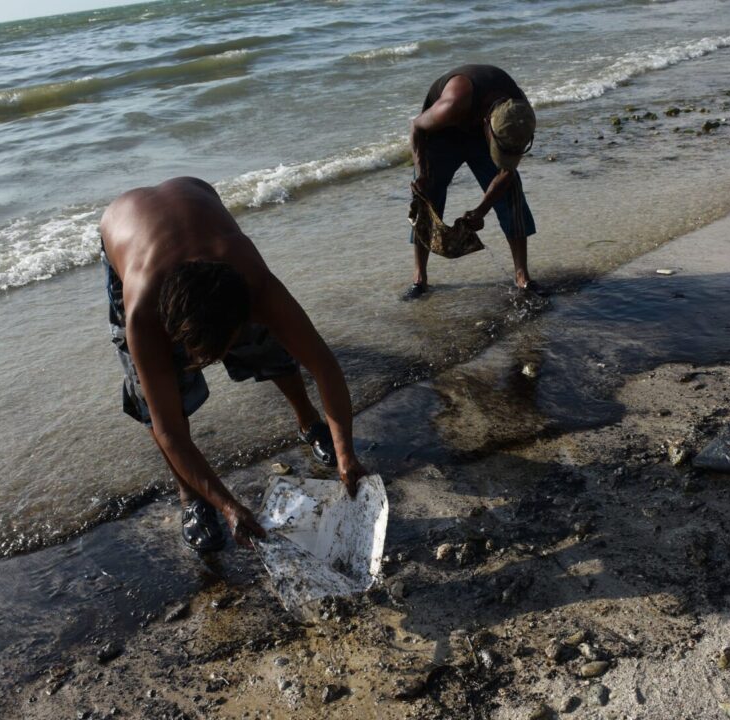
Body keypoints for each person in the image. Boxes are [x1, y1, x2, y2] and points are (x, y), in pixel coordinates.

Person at [100, 176, 366, 553]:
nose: (198, 363)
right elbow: (169, 431)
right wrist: (227, 506)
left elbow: (324, 366)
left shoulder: (257, 285)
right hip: (123, 228)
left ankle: (309, 422)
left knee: (270, 347)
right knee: (155, 400)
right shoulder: (142, 315)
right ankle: (190, 496)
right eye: (190, 352)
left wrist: (346, 454)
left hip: (196, 202)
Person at [405, 64, 541, 300]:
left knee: (512, 193)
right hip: (443, 133)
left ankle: (523, 277)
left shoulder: (520, 116)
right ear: (487, 122)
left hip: (485, 134)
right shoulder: (452, 104)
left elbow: (507, 172)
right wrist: (422, 170)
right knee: (426, 196)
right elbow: (416, 126)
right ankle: (420, 278)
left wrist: (481, 211)